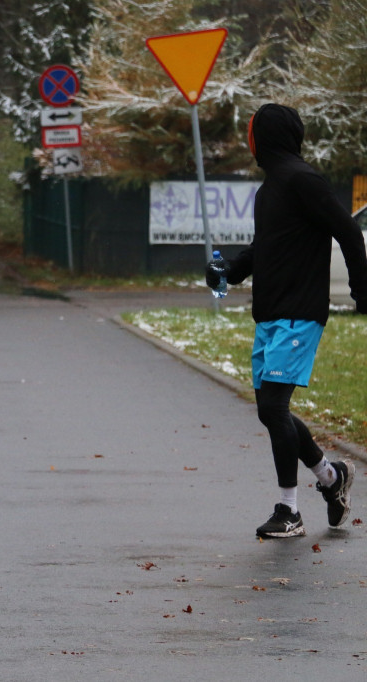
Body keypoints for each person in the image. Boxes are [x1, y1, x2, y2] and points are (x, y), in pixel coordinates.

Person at [205, 103, 367, 539]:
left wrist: (361, 288)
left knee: (274, 408)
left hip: (300, 313)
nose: (247, 139)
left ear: (266, 136)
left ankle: (289, 511)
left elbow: (348, 231)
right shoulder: (271, 189)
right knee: (268, 410)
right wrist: (230, 272)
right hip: (272, 314)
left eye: (251, 131)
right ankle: (331, 478)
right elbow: (266, 248)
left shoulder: (302, 180)